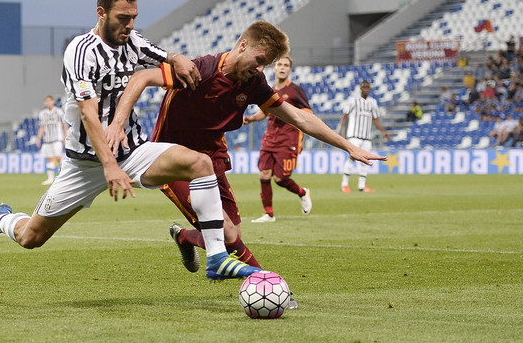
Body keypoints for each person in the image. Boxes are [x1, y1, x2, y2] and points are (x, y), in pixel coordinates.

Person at [0, 0, 261, 282]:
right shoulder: (81, 51)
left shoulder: (132, 42)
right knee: (32, 237)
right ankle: (1, 218)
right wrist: (109, 166)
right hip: (86, 164)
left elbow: (162, 54)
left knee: (200, 163)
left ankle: (217, 258)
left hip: (134, 153)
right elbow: (88, 113)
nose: (130, 25)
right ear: (101, 13)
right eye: (123, 18)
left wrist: (178, 58)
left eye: (134, 17)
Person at [104, 20, 387, 278]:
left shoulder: (254, 84)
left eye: (266, 64)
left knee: (231, 233)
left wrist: (348, 146)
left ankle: (185, 237)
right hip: (172, 160)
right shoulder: (200, 70)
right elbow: (140, 78)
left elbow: (300, 117)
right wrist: (117, 124)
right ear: (242, 46)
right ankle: (266, 282)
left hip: (211, 159)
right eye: (260, 60)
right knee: (228, 234)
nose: (260, 69)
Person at [242, 55, 313, 223]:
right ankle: (269, 214)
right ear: (274, 68)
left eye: (286, 65)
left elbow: (307, 114)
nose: (282, 67)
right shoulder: (269, 90)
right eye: (279, 64)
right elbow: (265, 112)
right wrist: (251, 118)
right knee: (264, 174)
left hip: (288, 139)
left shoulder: (296, 91)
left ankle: (302, 192)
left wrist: (299, 133)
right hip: (270, 138)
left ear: (290, 69)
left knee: (280, 179)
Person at [339, 80, 391, 193]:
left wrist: (384, 132)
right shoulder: (353, 101)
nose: (366, 89)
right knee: (352, 157)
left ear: (370, 89)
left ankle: (362, 186)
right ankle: (344, 184)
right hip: (354, 136)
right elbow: (345, 115)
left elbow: (375, 119)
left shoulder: (373, 102)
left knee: (366, 160)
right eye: (364, 87)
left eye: (368, 87)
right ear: (360, 88)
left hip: (367, 137)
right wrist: (341, 129)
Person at [36, 95, 67, 185]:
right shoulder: (43, 113)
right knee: (49, 158)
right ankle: (50, 179)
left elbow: (64, 125)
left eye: (50, 101)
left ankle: (62, 177)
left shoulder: (59, 112)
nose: (48, 103)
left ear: (53, 102)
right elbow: (42, 127)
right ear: (45, 103)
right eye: (47, 101)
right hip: (47, 140)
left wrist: (65, 137)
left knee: (58, 157)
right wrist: (39, 139)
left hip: (57, 139)